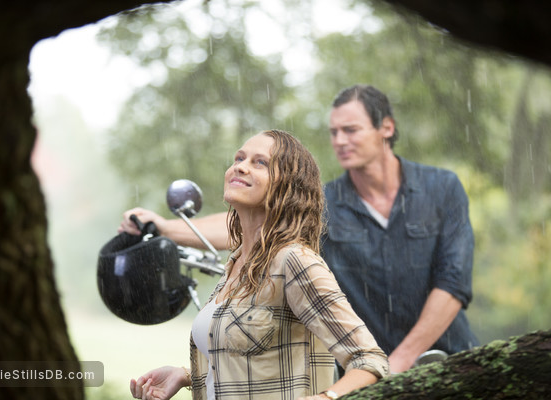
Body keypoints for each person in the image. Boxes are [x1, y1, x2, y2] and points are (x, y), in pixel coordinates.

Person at [120, 85, 479, 373]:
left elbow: (452, 283)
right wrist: (165, 227)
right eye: (334, 132)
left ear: (386, 127)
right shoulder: (329, 203)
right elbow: (256, 227)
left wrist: (402, 360)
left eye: (351, 130)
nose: (339, 140)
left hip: (447, 362)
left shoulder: (441, 188)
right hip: (366, 384)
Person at [128, 129, 389, 400]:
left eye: (259, 162)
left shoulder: (295, 262)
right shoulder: (235, 264)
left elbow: (369, 360)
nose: (240, 167)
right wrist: (185, 375)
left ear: (287, 186)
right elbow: (248, 363)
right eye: (239, 158)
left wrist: (327, 398)